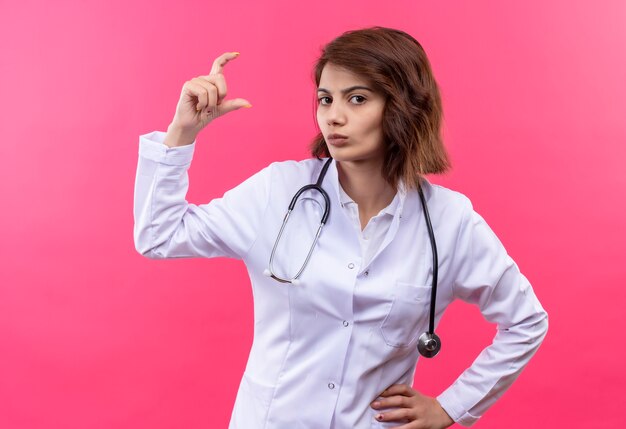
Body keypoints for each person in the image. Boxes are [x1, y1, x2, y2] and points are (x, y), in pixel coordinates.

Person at [133, 26, 548, 428]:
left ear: (404, 105)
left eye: (357, 99)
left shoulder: (450, 222)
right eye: (326, 99)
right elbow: (159, 236)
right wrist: (182, 132)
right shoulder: (277, 192)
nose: (334, 117)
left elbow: (526, 321)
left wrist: (452, 407)